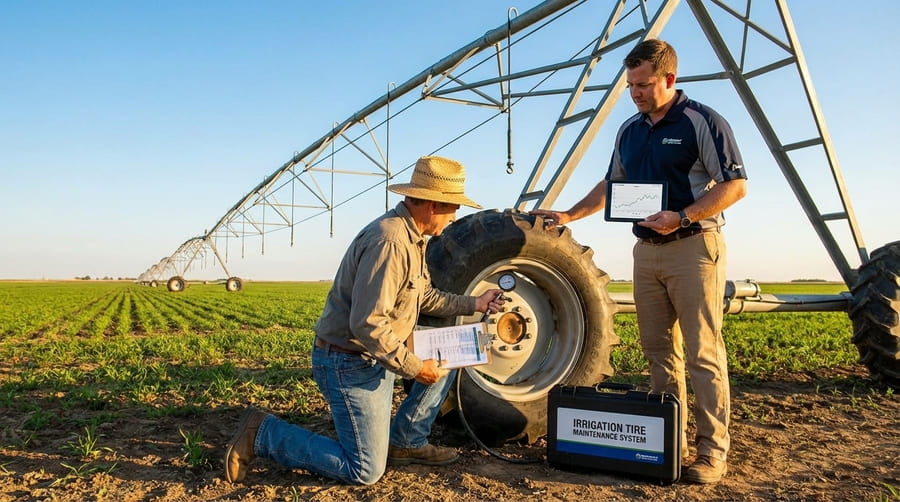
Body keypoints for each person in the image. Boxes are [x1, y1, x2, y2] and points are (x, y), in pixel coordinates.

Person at [531, 39, 747, 484]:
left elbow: (734, 186)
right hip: (646, 251)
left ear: (670, 78)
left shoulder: (702, 121)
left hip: (694, 247)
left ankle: (712, 452)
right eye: (631, 85)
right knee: (659, 354)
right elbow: (613, 183)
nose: (636, 93)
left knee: (703, 352)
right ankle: (673, 443)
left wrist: (682, 215)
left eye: (644, 85)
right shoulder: (630, 129)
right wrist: (570, 214)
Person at [224, 155, 505, 486]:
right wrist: (416, 368)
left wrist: (475, 302)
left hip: (375, 355)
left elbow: (424, 296)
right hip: (348, 363)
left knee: (454, 348)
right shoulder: (391, 242)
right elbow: (368, 325)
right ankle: (264, 433)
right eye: (453, 207)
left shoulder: (413, 239)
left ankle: (407, 441)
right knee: (365, 470)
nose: (455, 215)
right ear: (432, 205)